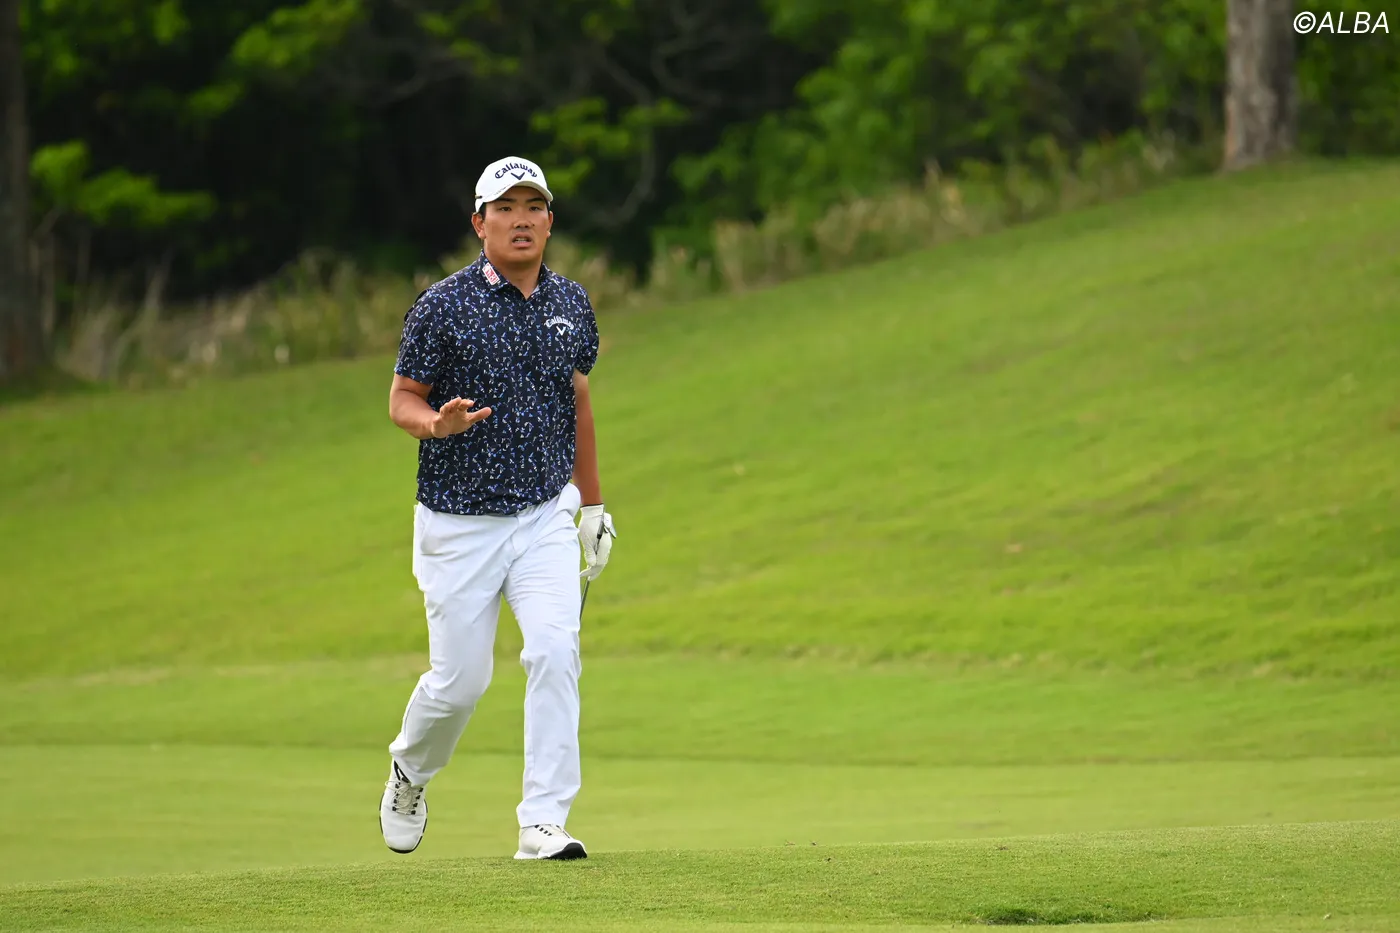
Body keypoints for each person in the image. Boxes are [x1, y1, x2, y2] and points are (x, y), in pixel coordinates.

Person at [378, 155, 617, 861]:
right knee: (460, 684)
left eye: (533, 207)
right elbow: (402, 398)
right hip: (459, 523)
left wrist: (592, 505)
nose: (521, 220)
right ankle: (410, 771)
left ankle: (543, 821)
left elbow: (577, 399)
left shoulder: (571, 303)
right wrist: (436, 424)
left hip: (543, 516)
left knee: (555, 652)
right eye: (505, 208)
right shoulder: (441, 306)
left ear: (550, 221)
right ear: (479, 224)